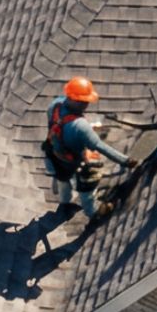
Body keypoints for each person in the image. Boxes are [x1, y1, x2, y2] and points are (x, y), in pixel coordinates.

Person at [44, 76, 130, 220]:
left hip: (53, 156)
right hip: (73, 162)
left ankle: (65, 205)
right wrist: (126, 161)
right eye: (84, 101)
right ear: (77, 100)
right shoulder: (81, 126)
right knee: (87, 185)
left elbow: (59, 127)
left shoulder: (55, 105)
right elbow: (100, 146)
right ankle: (93, 211)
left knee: (63, 180)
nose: (86, 105)